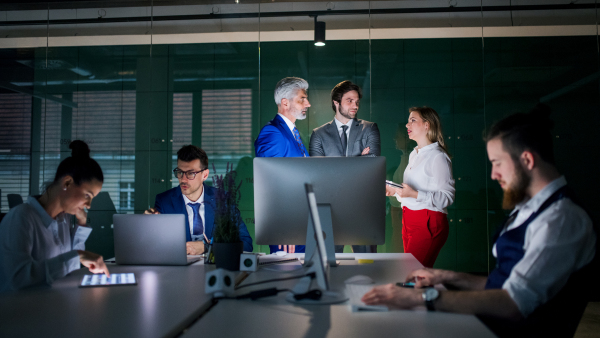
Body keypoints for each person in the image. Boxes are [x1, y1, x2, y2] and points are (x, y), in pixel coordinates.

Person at [362, 106, 596, 337]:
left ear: (527, 160)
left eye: (497, 163)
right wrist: (447, 277)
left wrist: (424, 297)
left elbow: (513, 302)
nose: (493, 175)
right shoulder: (531, 209)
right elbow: (504, 283)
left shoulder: (560, 220)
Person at [0, 141, 110, 292]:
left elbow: (70, 264)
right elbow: (18, 278)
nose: (89, 205)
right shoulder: (21, 217)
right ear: (67, 182)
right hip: (23, 312)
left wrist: (82, 224)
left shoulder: (62, 220)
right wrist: (77, 255)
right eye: (87, 195)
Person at [309, 80, 381, 254]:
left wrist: (336, 167)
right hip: (329, 209)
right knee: (329, 265)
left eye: (357, 101)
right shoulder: (318, 134)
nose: (355, 105)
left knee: (367, 265)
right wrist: (359, 160)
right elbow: (318, 173)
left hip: (363, 208)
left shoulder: (370, 128)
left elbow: (373, 167)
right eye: (349, 100)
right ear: (336, 102)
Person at [146, 145, 253, 253]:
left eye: (191, 173)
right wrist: (148, 226)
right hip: (180, 268)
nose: (183, 179)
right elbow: (154, 246)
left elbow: (246, 244)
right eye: (180, 172)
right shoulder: (164, 201)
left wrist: (207, 248)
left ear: (205, 175)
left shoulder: (223, 200)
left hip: (214, 267)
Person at [385, 107, 454, 268]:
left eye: (413, 120)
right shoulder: (414, 154)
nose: (407, 125)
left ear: (427, 125)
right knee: (414, 276)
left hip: (427, 222)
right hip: (408, 220)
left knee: (412, 276)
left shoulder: (438, 156)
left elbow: (447, 198)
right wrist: (395, 192)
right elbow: (411, 192)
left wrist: (414, 194)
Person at [254, 77, 311, 254]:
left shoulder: (292, 132)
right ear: (285, 103)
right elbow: (271, 184)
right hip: (287, 229)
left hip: (302, 222)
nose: (307, 103)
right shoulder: (273, 133)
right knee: (286, 278)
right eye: (302, 98)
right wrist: (285, 229)